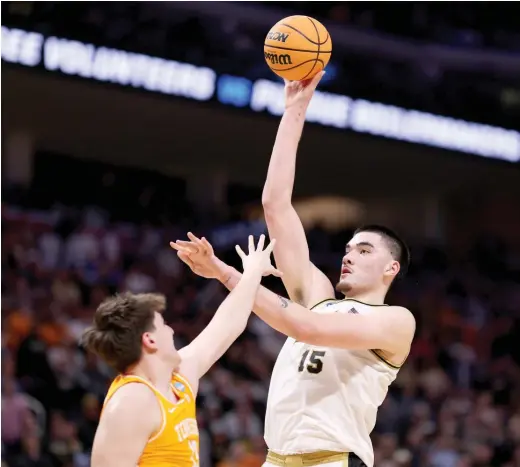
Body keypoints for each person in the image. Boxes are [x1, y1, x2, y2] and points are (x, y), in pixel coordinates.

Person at [170, 72, 415, 467]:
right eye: (348, 248)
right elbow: (275, 205)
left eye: (364, 250)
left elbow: (306, 328)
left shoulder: (396, 322)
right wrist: (294, 110)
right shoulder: (317, 295)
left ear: (391, 268)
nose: (348, 256)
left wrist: (231, 275)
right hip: (277, 459)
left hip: (332, 460)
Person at [83, 235, 280, 467]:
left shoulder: (177, 381)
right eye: (163, 325)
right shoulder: (131, 400)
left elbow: (228, 324)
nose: (172, 331)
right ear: (149, 340)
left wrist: (251, 272)